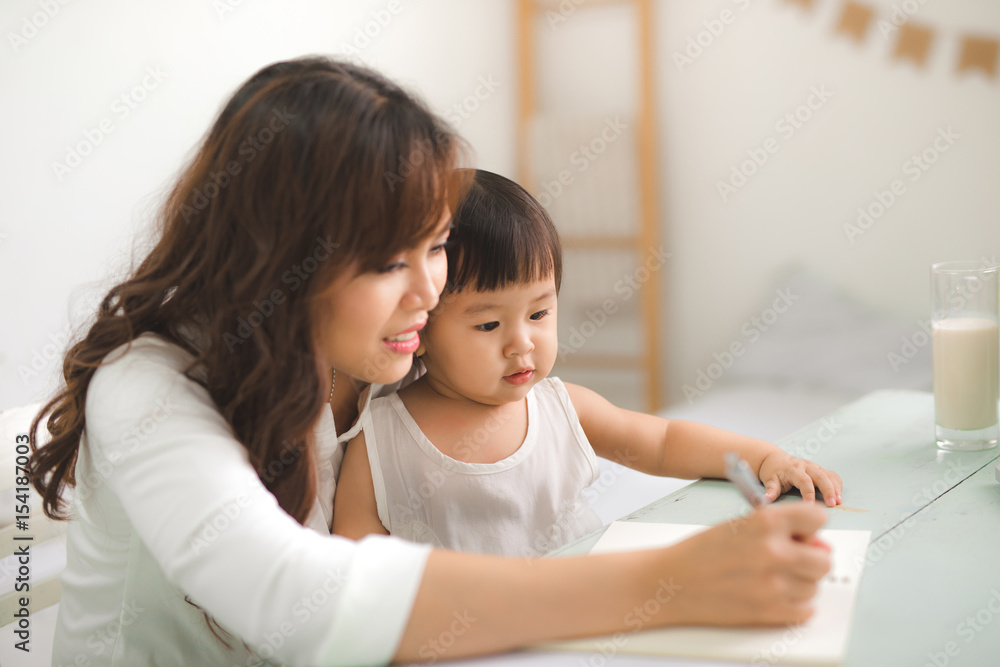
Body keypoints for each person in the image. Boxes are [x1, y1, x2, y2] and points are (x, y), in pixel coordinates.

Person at [28, 57, 835, 667]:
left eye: (437, 245)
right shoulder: (148, 387)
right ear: (284, 260)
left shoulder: (366, 364)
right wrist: (667, 584)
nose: (429, 291)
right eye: (388, 261)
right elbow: (297, 595)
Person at [332, 169, 842, 556]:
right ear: (421, 325)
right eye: (488, 325)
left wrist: (763, 459)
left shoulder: (560, 406)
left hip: (589, 623)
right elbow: (354, 568)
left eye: (539, 312)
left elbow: (662, 444)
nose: (522, 344)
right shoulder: (380, 438)